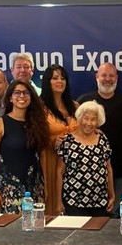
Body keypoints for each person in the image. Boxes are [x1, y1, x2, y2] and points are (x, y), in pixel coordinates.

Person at [77, 62, 122, 212]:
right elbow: (75, 131)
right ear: (97, 77)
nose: (107, 79)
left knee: (114, 211)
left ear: (117, 78)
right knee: (93, 212)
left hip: (119, 167)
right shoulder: (84, 101)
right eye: (104, 75)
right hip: (88, 169)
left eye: (111, 76)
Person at [0, 80, 49, 213]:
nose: (22, 96)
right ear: (10, 97)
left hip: (34, 188)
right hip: (8, 190)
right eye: (17, 93)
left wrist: (46, 186)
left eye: (26, 93)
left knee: (34, 224)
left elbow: (42, 156)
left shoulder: (38, 124)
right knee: (10, 226)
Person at [55, 101, 115, 217]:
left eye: (93, 119)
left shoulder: (102, 138)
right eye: (85, 118)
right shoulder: (67, 140)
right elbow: (59, 172)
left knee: (99, 228)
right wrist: (58, 201)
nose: (89, 123)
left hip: (99, 199)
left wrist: (111, 195)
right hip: (74, 200)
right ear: (79, 118)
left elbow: (109, 169)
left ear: (98, 121)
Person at [38, 65, 78, 215]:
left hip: (74, 164)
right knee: (53, 207)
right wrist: (51, 141)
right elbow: (32, 135)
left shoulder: (75, 106)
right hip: (50, 160)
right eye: (54, 78)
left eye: (63, 78)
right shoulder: (39, 107)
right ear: (47, 82)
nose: (59, 81)